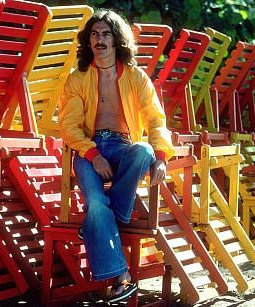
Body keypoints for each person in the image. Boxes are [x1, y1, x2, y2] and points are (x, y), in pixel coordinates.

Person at [58, 8, 175, 303]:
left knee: (144, 151)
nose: (100, 40)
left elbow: (156, 120)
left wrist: (161, 156)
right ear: (89, 41)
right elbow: (68, 126)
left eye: (106, 34)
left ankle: (105, 220)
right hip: (88, 149)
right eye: (94, 34)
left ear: (117, 40)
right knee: (96, 206)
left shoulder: (136, 77)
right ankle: (122, 278)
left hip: (124, 147)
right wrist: (93, 154)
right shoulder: (77, 78)